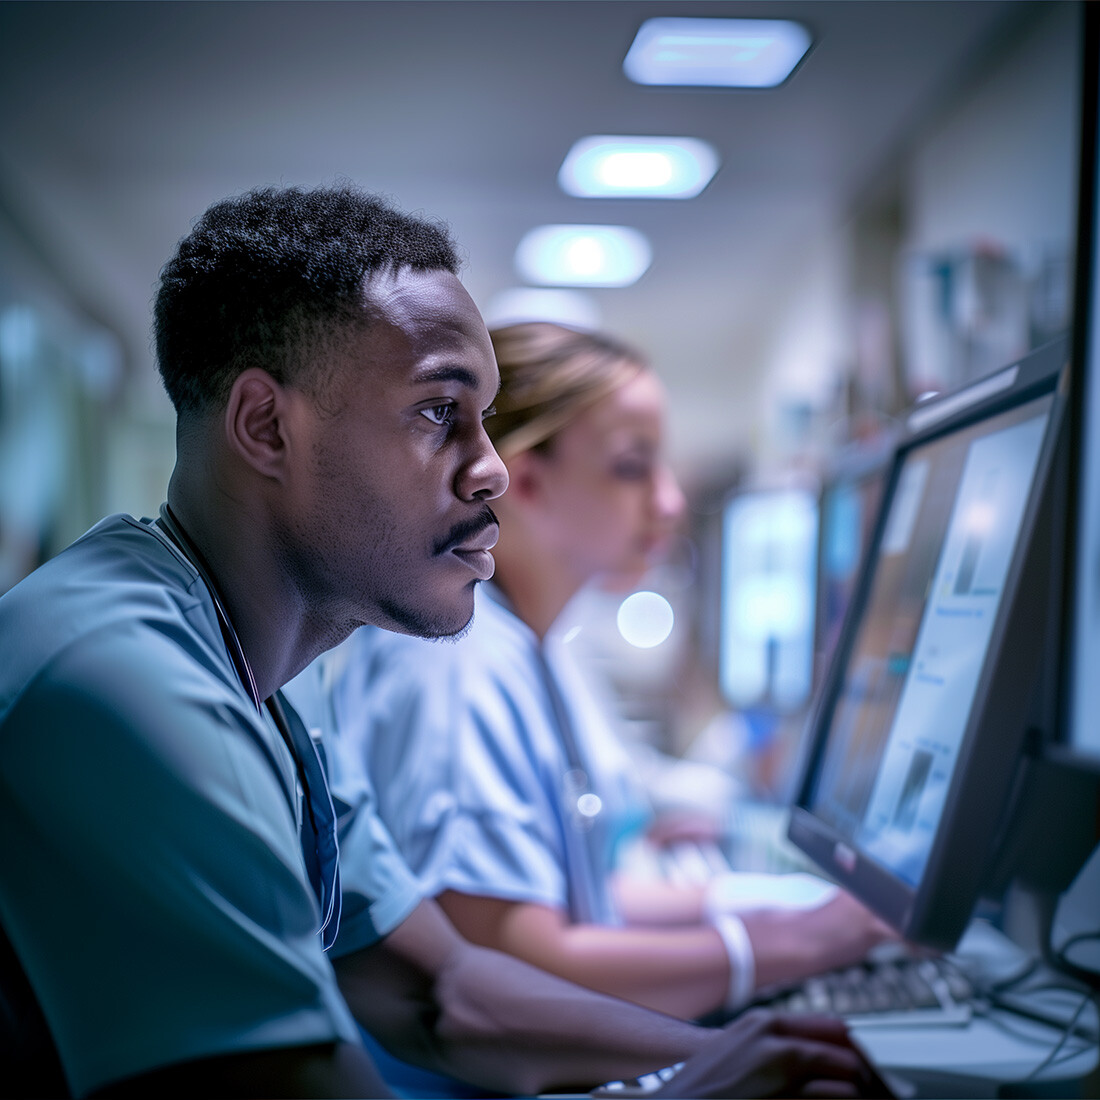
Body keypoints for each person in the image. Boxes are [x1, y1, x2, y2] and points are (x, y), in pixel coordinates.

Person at [0, 185, 890, 1099]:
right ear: (266, 426)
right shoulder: (122, 684)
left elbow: (445, 993)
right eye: (438, 413)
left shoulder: (266, 677)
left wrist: (723, 1055)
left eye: (486, 419)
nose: (496, 468)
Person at [326, 321, 894, 1024]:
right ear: (523, 481)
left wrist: (749, 906)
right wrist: (780, 945)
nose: (671, 503)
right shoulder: (457, 666)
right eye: (633, 467)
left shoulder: (519, 642)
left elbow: (567, 893)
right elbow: (512, 964)